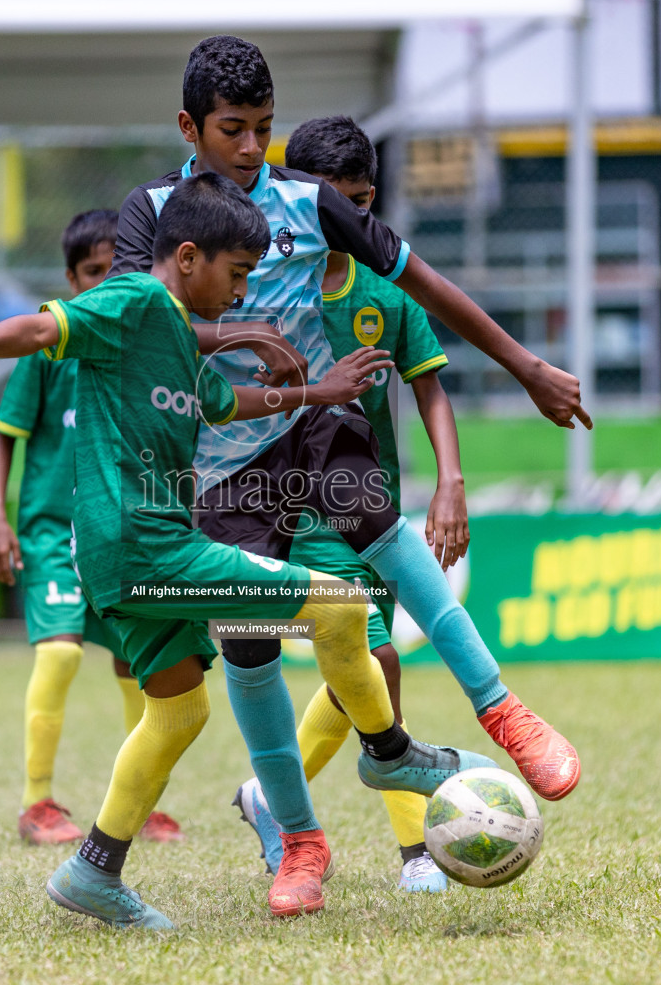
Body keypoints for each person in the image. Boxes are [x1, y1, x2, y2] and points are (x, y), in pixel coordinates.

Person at [0, 173, 495, 928]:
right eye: (239, 274)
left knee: (180, 710)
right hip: (149, 545)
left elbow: (227, 405)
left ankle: (94, 871)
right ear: (188, 257)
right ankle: (390, 752)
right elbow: (40, 330)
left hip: (127, 558)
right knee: (342, 606)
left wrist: (316, 395)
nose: (244, 292)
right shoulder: (135, 301)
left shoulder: (178, 337)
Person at [110, 37, 588, 863]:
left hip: (317, 428)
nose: (253, 149)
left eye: (264, 127)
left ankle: (501, 708)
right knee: (250, 641)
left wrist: (527, 366)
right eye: (233, 130)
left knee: (389, 543)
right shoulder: (150, 212)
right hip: (220, 458)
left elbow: (424, 281)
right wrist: (240, 333)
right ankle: (299, 841)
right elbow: (136, 320)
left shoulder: (307, 198)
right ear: (189, 127)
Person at [233, 115, 470, 894]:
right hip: (289, 508)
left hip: (370, 504)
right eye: (330, 205)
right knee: (376, 659)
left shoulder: (385, 291)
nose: (344, 222)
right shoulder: (258, 287)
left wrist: (450, 482)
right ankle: (413, 850)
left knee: (357, 673)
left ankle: (269, 796)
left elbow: (429, 387)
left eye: (360, 204)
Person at [0, 209, 182, 846]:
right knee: (62, 651)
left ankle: (141, 802)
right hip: (50, 531)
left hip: (116, 534)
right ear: (71, 279)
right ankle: (36, 802)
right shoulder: (48, 349)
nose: (104, 283)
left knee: (139, 667)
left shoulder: (141, 346)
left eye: (115, 270)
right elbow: (4, 435)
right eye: (92, 273)